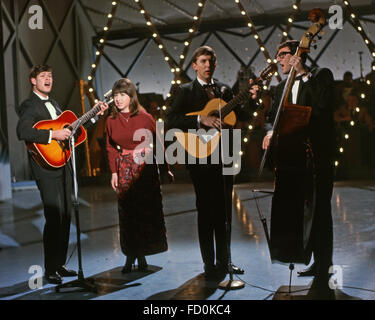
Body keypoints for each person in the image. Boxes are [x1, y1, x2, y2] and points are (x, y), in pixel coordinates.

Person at [166, 46, 252, 279]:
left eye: (211, 61)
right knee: (206, 212)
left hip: (225, 157)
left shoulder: (224, 89)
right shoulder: (185, 91)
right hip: (200, 159)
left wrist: (250, 99)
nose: (207, 65)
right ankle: (209, 264)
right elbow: (170, 120)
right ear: (194, 65)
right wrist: (199, 119)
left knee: (225, 212)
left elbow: (241, 116)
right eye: (203, 61)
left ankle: (225, 262)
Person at [16, 65, 108, 284]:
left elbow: (72, 130)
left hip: (63, 164)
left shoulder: (55, 105)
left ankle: (60, 265)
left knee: (66, 214)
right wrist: (53, 134)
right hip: (45, 169)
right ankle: (49, 269)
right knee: (54, 216)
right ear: (33, 81)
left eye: (50, 76)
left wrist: (94, 114)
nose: (48, 79)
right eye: (43, 76)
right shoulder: (29, 105)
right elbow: (23, 131)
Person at [262, 40, 335, 291]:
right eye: (278, 56)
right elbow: (272, 118)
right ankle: (312, 260)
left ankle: (325, 266)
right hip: (291, 158)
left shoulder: (321, 75)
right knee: (301, 214)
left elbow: (323, 108)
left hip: (317, 156)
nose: (279, 60)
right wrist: (270, 132)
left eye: (283, 55)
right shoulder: (281, 86)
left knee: (321, 212)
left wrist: (303, 74)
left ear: (297, 55)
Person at [106, 78, 172, 273]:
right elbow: (109, 147)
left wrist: (165, 167)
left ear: (131, 96)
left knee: (145, 213)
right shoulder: (111, 120)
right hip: (124, 168)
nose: (118, 99)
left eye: (122, 95)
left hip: (145, 170)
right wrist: (113, 172)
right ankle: (130, 256)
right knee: (127, 215)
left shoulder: (145, 117)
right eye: (116, 95)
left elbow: (158, 144)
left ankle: (142, 254)